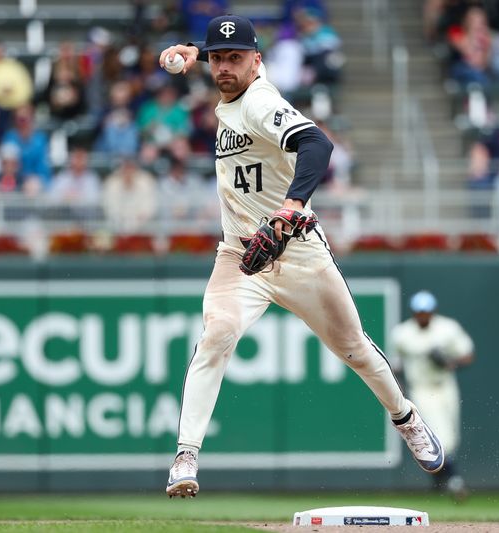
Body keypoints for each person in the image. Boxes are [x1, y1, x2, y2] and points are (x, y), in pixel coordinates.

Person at [158, 14, 445, 499]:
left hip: (298, 251)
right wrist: (192, 48)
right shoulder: (230, 88)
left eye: (236, 57)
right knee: (217, 334)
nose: (225, 67)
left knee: (354, 347)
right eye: (218, 58)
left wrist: (290, 206)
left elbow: (316, 142)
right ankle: (186, 454)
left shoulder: (259, 102)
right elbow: (220, 55)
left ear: (258, 60)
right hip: (239, 256)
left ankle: (405, 416)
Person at [390, 291, 474, 500]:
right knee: (440, 435)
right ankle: (455, 481)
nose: (423, 316)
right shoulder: (402, 333)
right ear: (413, 312)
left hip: (445, 385)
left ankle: (439, 479)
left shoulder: (447, 328)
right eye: (419, 312)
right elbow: (395, 365)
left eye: (426, 312)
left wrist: (447, 361)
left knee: (452, 438)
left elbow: (467, 355)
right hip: (422, 389)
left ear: (432, 311)